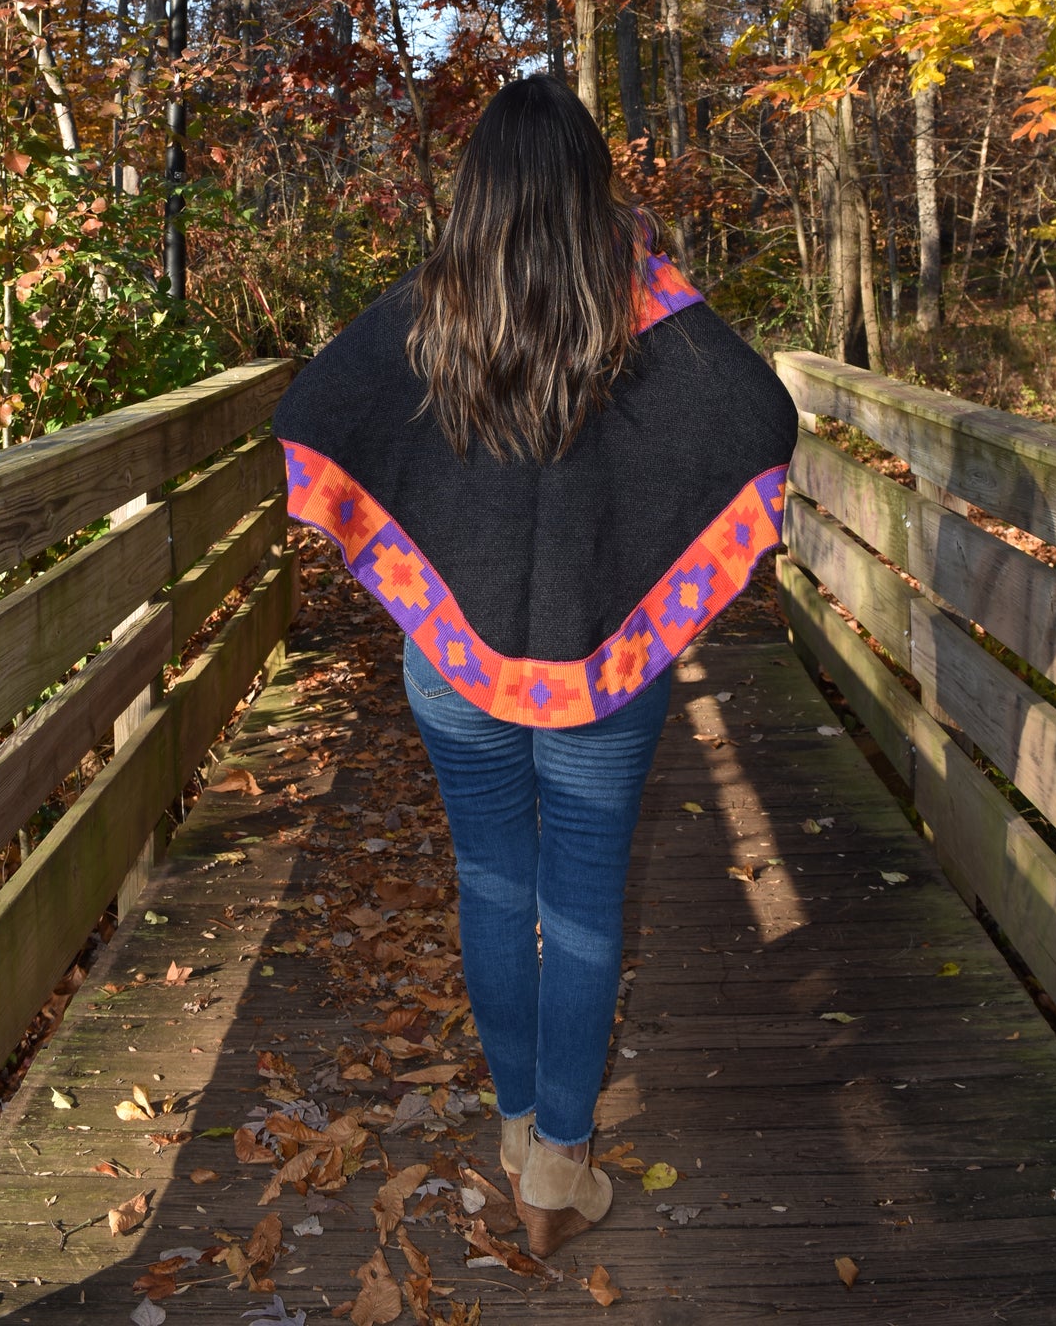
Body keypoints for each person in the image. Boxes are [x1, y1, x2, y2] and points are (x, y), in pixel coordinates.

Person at [272, 76, 797, 1256]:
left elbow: (314, 409)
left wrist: (403, 551)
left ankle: (515, 1130)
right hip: (606, 670)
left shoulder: (430, 307)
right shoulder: (639, 306)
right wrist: (652, 262)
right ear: (590, 189)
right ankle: (559, 1163)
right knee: (582, 895)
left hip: (451, 664)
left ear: (479, 193)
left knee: (493, 881)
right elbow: (757, 412)